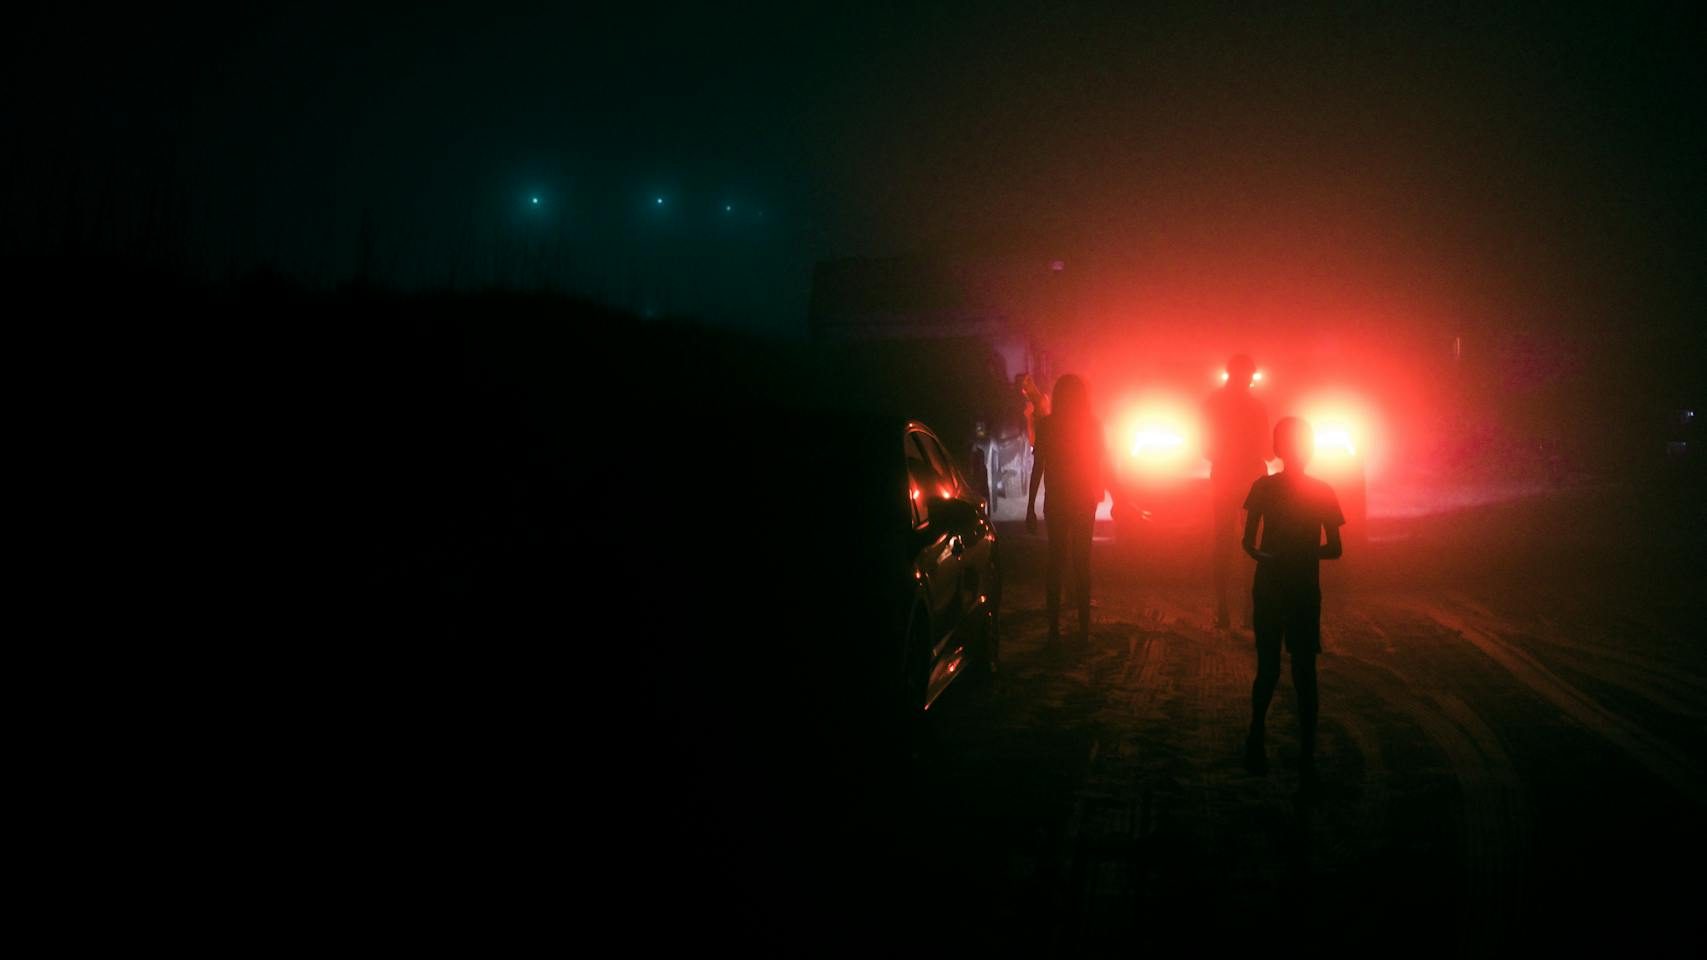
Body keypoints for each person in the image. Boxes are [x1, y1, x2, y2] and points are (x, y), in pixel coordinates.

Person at [1240, 417, 1345, 792]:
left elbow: (1248, 543)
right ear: (1310, 448)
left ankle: (1255, 738)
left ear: (1277, 448)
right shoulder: (1322, 490)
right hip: (1303, 586)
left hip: (1269, 583)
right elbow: (1335, 548)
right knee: (1305, 673)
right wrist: (1303, 555)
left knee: (1267, 668)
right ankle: (1306, 757)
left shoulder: (1263, 488)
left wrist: (1272, 557)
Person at [1026, 374, 1109, 644]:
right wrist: (1101, 490)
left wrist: (1030, 507)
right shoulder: (1092, 425)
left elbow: (1038, 467)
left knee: (1056, 562)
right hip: (1083, 499)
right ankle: (1084, 631)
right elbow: (1099, 462)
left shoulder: (1048, 426)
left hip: (1058, 500)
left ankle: (1053, 630)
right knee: (1082, 564)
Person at [1203, 354, 1270, 628]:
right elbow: (1267, 448)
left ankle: (1222, 609)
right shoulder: (1256, 407)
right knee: (1252, 543)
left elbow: (1206, 447)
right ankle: (1249, 608)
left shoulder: (1212, 404)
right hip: (1251, 478)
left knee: (1222, 543)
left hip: (1224, 477)